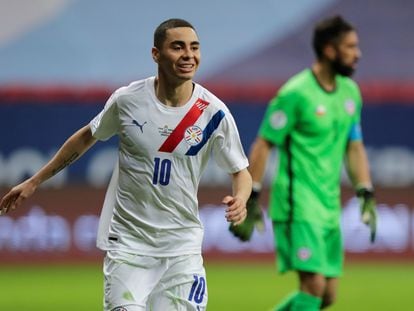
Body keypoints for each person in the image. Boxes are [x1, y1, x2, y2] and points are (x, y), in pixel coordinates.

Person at [0, 18, 252, 311]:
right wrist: (34, 181)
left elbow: (240, 171)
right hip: (129, 249)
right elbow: (86, 137)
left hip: (182, 251)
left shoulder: (214, 113)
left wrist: (242, 199)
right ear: (156, 54)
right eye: (178, 47)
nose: (188, 55)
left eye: (194, 48)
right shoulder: (128, 100)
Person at [230, 15, 377, 310]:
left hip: (328, 204)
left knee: (326, 296)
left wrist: (365, 190)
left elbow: (355, 146)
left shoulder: (350, 93)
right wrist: (253, 197)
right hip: (298, 203)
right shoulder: (295, 93)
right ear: (329, 50)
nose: (357, 54)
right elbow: (263, 144)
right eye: (350, 47)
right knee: (313, 286)